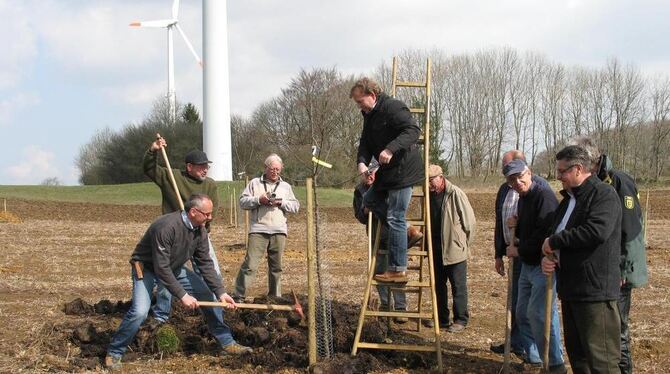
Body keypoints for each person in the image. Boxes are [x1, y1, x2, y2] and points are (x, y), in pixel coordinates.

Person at [104, 194, 251, 370]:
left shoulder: (200, 230)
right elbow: (161, 268)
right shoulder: (166, 227)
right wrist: (183, 295)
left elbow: (205, 263)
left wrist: (221, 292)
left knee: (207, 294)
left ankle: (227, 342)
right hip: (148, 269)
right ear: (194, 212)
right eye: (207, 214)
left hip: (173, 268)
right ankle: (114, 352)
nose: (210, 217)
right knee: (140, 311)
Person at [541, 145, 622, 373]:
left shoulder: (603, 195)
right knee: (579, 359)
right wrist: (549, 257)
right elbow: (554, 234)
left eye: (562, 171)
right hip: (571, 290)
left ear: (577, 169)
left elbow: (596, 231)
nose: (558, 176)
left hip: (594, 293)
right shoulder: (569, 201)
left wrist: (555, 242)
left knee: (602, 361)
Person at [572, 136, 648, 374]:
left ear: (587, 162)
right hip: (605, 270)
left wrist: (622, 268)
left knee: (618, 331)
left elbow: (630, 229)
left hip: (620, 270)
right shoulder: (593, 184)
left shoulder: (618, 182)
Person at [351, 77, 424, 284]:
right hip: (386, 172)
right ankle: (410, 230)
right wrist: (362, 163)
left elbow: (412, 131)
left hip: (403, 171)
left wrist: (390, 148)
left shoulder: (393, 107)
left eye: (360, 101)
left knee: (395, 217)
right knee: (370, 200)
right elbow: (365, 142)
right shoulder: (368, 115)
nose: (359, 106)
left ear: (372, 96)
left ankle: (398, 270)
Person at [503, 160, 566, 372]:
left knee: (542, 314)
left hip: (542, 264)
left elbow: (543, 234)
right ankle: (535, 357)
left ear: (529, 173)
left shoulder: (544, 196)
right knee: (522, 313)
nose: (518, 181)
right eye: (513, 179)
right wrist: (516, 227)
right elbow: (528, 231)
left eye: (521, 176)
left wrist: (519, 250)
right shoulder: (523, 199)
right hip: (527, 266)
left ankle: (555, 363)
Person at [233, 154, 300, 301]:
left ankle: (275, 297)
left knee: (276, 267)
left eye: (278, 169)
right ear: (265, 168)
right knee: (250, 264)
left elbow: (295, 206)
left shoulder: (286, 187)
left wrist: (281, 202)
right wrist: (259, 200)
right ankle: (239, 295)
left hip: (279, 231)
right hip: (258, 230)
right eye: (272, 169)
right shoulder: (254, 183)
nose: (275, 172)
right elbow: (243, 202)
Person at [353, 168, 408, 322]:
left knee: (396, 270)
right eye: (366, 173)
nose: (369, 175)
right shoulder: (359, 190)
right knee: (377, 270)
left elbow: (397, 207)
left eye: (372, 172)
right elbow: (359, 215)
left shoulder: (388, 185)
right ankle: (385, 303)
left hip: (393, 234)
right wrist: (365, 210)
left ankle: (400, 307)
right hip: (374, 233)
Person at [427, 165, 476, 332]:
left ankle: (460, 320)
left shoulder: (456, 194)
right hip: (435, 248)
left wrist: (464, 245)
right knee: (438, 286)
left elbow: (470, 223)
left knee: (458, 286)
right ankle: (441, 319)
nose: (429, 184)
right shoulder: (428, 196)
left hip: (454, 249)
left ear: (441, 178)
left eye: (431, 180)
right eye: (426, 181)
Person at [490, 150, 526, 356]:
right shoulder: (504, 189)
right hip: (510, 251)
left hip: (525, 252)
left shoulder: (533, 188)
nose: (505, 174)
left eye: (507, 168)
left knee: (522, 301)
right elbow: (498, 221)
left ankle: (523, 345)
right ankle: (513, 341)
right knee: (514, 300)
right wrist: (498, 254)